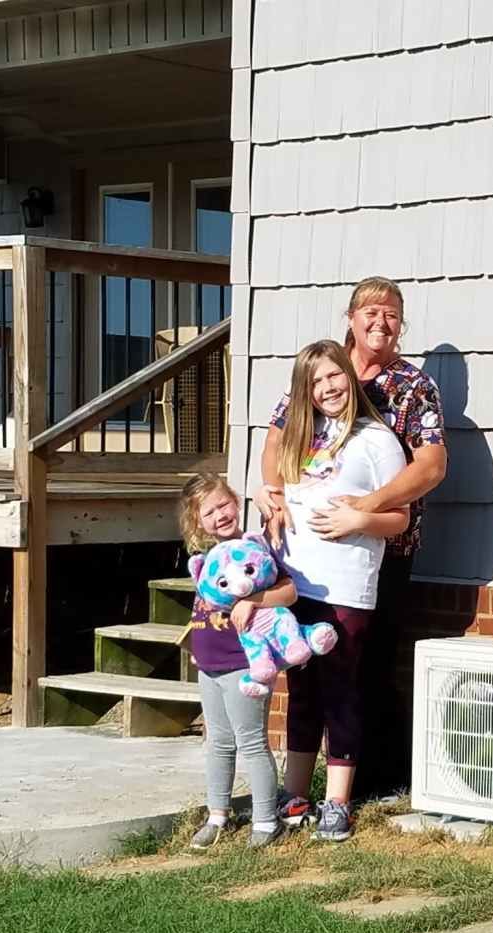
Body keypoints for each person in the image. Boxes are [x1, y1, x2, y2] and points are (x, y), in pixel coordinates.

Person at [254, 277, 447, 801]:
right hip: (305, 562)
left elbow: (430, 466)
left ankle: (365, 783)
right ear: (351, 318)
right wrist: (270, 489)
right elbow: (278, 436)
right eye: (371, 312)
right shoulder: (322, 369)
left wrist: (364, 509)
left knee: (365, 668)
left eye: (392, 314)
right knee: (307, 670)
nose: (381, 322)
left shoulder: (412, 387)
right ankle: (302, 787)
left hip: (380, 552)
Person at [270, 339, 408, 841]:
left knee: (340, 689)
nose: (328, 388)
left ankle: (338, 802)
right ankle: (295, 794)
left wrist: (359, 517)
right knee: (301, 688)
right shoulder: (301, 439)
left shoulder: (377, 441)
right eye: (316, 382)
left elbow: (400, 518)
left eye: (334, 376)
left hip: (345, 587)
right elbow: (281, 491)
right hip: (294, 584)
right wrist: (271, 499)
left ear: (350, 378)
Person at [178, 474, 292, 850]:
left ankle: (264, 820)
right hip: (209, 664)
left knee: (252, 742)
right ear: (198, 523)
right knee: (218, 743)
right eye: (208, 512)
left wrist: (254, 601)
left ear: (236, 500)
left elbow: (289, 590)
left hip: (245, 663)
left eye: (223, 504)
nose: (219, 515)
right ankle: (217, 816)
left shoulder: (256, 547)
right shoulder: (206, 560)